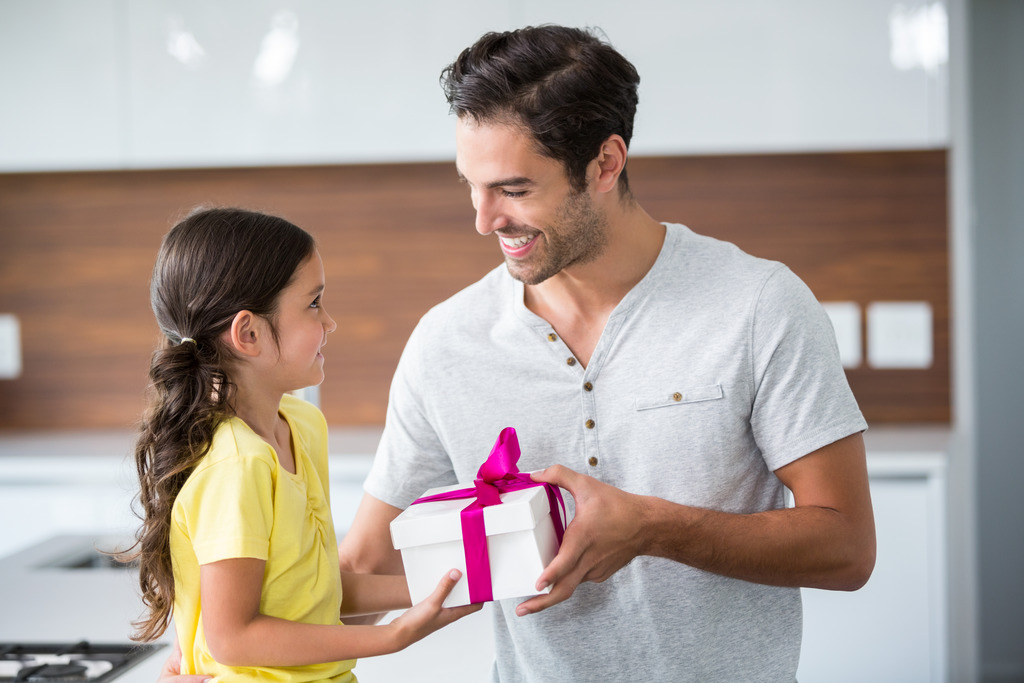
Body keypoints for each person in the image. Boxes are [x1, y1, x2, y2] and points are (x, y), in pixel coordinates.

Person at [336, 25, 877, 682]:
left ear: (606, 163)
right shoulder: (446, 342)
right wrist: (219, 644)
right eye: (470, 186)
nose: (484, 219)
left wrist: (651, 525)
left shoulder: (758, 304)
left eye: (514, 189)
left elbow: (847, 546)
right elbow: (363, 568)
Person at [127, 207, 479, 682]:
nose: (329, 322)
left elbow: (315, 592)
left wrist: (452, 583)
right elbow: (233, 638)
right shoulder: (237, 466)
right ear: (248, 334)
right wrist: (390, 637)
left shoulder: (302, 424)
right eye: (314, 304)